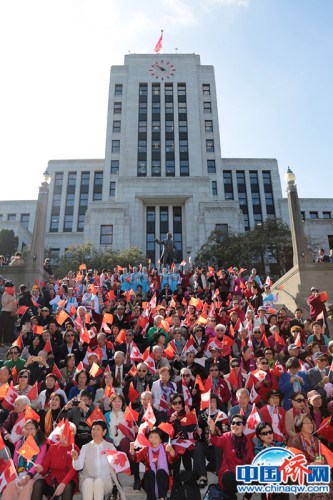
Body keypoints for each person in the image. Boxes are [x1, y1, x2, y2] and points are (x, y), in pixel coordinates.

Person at [71, 419, 122, 500]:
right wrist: (76, 458)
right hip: (87, 480)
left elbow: (116, 465)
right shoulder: (85, 447)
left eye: (98, 429)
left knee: (99, 482)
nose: (95, 432)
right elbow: (78, 467)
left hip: (105, 482)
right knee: (88, 482)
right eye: (93, 429)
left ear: (104, 432)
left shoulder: (110, 446)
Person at [208, 413, 254, 500]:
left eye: (238, 423)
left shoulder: (248, 441)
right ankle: (232, 497)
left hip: (242, 473)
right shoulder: (227, 436)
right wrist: (212, 428)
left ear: (244, 426)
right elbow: (215, 441)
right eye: (233, 423)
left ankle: (247, 497)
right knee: (229, 478)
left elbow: (251, 460)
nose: (235, 425)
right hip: (229, 471)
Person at [288, 413, 333, 500]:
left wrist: (322, 462)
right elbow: (295, 462)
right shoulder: (294, 441)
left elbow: (323, 456)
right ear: (300, 425)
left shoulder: (316, 440)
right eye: (306, 423)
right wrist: (311, 465)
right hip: (304, 474)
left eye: (311, 422)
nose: (310, 425)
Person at [2, 418, 47, 500]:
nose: (28, 431)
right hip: (19, 473)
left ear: (37, 429)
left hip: (34, 474)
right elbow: (15, 462)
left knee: (27, 485)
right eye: (26, 428)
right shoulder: (19, 443)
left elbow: (38, 462)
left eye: (31, 428)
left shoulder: (42, 444)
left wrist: (27, 476)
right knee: (9, 485)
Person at [129, 427, 178, 500]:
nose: (153, 440)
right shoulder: (146, 449)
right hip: (149, 482)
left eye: (156, 437)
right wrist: (132, 450)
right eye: (151, 437)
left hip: (163, 482)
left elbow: (174, 459)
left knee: (161, 472)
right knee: (149, 473)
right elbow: (136, 458)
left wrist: (171, 450)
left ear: (161, 440)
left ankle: (162, 498)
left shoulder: (166, 448)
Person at [33, 421, 79, 499]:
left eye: (69, 435)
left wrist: (63, 484)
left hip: (68, 481)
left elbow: (73, 470)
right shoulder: (53, 447)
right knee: (38, 483)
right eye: (63, 434)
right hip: (53, 481)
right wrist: (41, 469)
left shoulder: (75, 449)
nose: (65, 438)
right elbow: (45, 468)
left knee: (67, 486)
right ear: (59, 434)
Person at [0, 281, 17, 345]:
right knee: (3, 328)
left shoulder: (13, 294)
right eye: (12, 286)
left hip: (11, 313)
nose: (13, 288)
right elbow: (4, 304)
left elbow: (15, 304)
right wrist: (11, 299)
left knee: (10, 328)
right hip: (5, 312)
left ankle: (8, 342)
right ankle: (3, 342)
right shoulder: (5, 294)